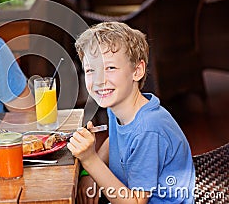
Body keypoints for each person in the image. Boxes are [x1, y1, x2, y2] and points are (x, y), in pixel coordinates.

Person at [68, 22, 195, 203]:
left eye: (110, 68)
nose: (99, 80)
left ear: (137, 71)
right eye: (90, 70)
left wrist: (90, 160)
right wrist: (89, 174)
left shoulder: (148, 129)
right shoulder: (120, 106)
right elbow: (116, 139)